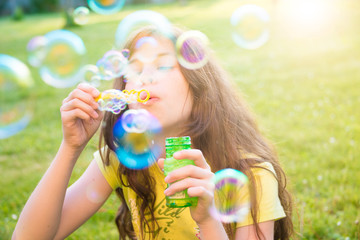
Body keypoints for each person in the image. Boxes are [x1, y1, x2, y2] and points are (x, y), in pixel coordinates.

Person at [12, 25, 293, 240]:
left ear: (199, 82)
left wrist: (208, 219)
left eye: (162, 64)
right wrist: (70, 148)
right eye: (133, 70)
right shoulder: (120, 160)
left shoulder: (250, 174)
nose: (145, 77)